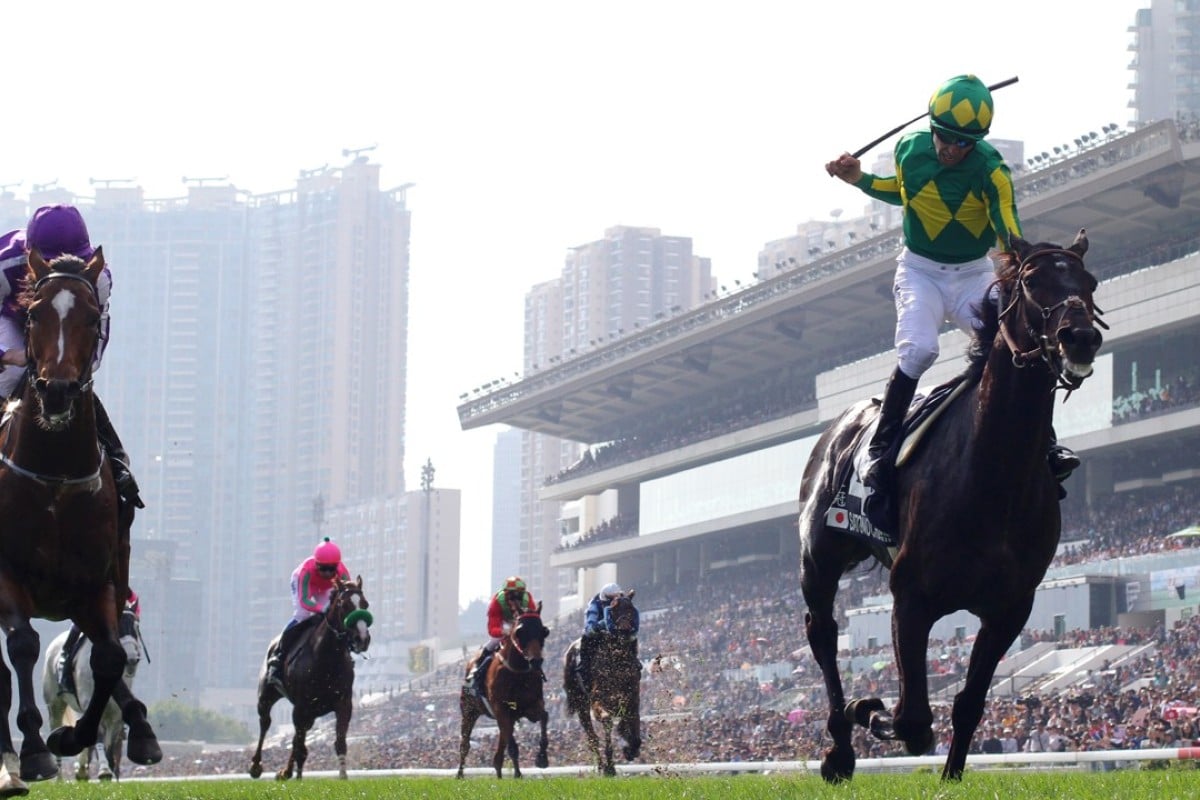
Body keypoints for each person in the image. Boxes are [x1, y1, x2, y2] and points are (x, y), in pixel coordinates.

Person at [824, 74, 1079, 529]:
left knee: (1020, 343)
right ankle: (881, 449)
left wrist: (1026, 257)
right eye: (945, 138)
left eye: (963, 143)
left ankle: (1047, 444)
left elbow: (1006, 226)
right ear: (932, 125)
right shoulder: (910, 149)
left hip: (972, 276)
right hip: (919, 271)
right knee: (920, 350)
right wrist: (859, 178)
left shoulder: (991, 170)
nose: (950, 150)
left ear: (976, 142)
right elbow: (901, 193)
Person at [0, 204, 143, 510]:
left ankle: (117, 464)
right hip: (9, 319)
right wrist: (5, 355)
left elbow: (99, 331)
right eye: (49, 263)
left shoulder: (98, 278)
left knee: (69, 382)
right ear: (31, 256)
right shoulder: (5, 263)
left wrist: (77, 375)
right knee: (12, 376)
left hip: (62, 326)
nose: (60, 270)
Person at [265, 537, 351, 692]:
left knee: (333, 617)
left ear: (337, 566)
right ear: (316, 564)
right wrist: (321, 609)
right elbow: (305, 601)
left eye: (331, 569)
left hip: (326, 588)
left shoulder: (343, 574)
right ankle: (278, 657)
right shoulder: (305, 572)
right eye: (323, 568)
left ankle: (347, 651)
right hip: (306, 585)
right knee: (302, 615)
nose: (327, 573)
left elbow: (346, 599)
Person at [464, 576, 537, 698]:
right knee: (494, 641)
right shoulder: (496, 602)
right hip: (503, 626)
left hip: (520, 624)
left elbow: (533, 619)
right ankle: (476, 672)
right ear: (506, 595)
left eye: (518, 596)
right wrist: (504, 632)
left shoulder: (528, 599)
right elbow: (492, 629)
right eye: (512, 596)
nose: (515, 601)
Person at [56, 586, 141, 690]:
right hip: (91, 615)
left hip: (115, 618)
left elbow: (134, 599)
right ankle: (64, 659)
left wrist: (135, 615)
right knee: (76, 629)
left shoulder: (119, 583)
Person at [576, 582, 639, 692]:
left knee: (632, 640)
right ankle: (584, 673)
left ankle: (635, 662)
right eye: (612, 598)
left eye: (617, 597)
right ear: (605, 598)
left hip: (617, 632)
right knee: (586, 640)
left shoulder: (622, 601)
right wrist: (599, 626)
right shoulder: (594, 606)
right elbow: (590, 628)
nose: (615, 600)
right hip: (598, 634)